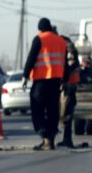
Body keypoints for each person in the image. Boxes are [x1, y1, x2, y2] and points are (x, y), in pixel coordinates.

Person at [22, 18, 70, 150]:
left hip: (41, 81)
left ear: (40, 29)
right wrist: (65, 80)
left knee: (37, 108)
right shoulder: (61, 41)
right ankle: (51, 139)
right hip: (56, 82)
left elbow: (31, 58)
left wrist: (25, 76)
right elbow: (65, 63)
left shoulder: (39, 39)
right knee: (52, 110)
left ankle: (45, 136)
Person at [57, 35, 81, 148]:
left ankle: (67, 140)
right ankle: (66, 139)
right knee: (66, 114)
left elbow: (71, 65)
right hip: (70, 84)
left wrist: (63, 78)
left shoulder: (69, 48)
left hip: (69, 85)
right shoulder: (69, 48)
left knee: (66, 113)